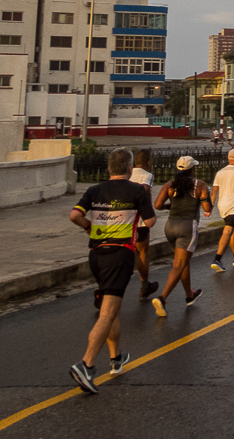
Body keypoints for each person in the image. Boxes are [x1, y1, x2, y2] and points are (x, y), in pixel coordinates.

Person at [68, 148, 156, 394]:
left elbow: (74, 215)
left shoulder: (94, 190)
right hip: (120, 255)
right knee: (107, 313)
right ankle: (86, 364)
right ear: (130, 170)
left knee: (112, 306)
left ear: (108, 168)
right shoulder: (136, 190)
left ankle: (116, 357)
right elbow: (150, 222)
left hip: (96, 254)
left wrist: (89, 227)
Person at [151, 155, 211, 317]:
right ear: (192, 169)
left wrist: (169, 206)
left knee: (183, 262)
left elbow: (157, 205)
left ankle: (189, 295)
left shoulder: (170, 185)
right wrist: (206, 200)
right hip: (187, 227)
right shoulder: (200, 185)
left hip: (170, 227)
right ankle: (162, 298)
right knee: (178, 264)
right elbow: (207, 208)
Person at [129, 149, 159, 301]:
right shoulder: (147, 175)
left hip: (124, 219)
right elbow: (146, 188)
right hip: (140, 221)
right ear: (148, 162)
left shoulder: (127, 174)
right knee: (142, 253)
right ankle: (144, 285)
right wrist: (147, 210)